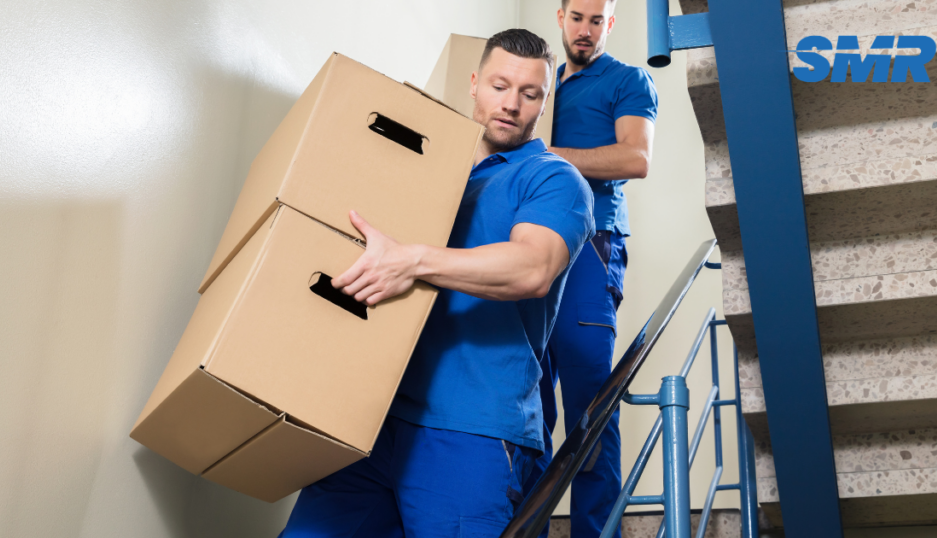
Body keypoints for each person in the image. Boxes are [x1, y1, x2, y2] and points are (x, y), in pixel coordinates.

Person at [278, 29, 594, 538]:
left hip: (472, 428)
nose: (511, 104)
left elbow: (532, 268)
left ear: (545, 99)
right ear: (473, 84)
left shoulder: (552, 179)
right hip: (372, 418)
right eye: (498, 86)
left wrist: (415, 261)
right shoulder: (427, 171)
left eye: (529, 93)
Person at [522, 1, 658, 537]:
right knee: (528, 406)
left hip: (590, 245)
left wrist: (549, 154)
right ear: (560, 17)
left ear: (610, 23)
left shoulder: (627, 80)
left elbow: (635, 159)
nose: (585, 29)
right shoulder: (542, 84)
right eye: (577, 17)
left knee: (589, 409)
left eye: (596, 20)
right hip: (530, 243)